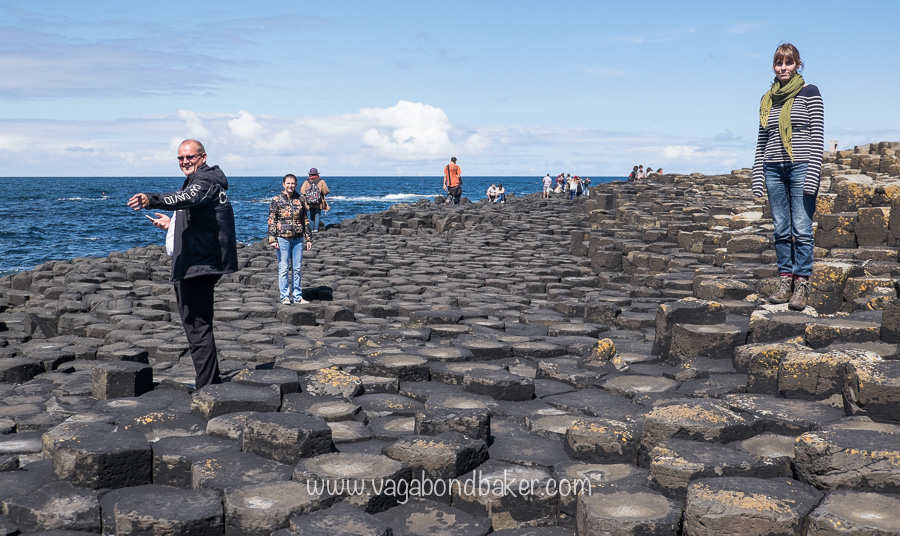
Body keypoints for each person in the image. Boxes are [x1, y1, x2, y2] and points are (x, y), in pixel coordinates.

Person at [127, 139, 238, 390]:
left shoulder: (205, 181)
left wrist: (151, 198)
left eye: (190, 157)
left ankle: (208, 387)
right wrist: (171, 224)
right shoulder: (204, 181)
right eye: (180, 158)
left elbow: (188, 198)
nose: (185, 162)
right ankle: (209, 381)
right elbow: (198, 214)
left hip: (199, 265)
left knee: (197, 326)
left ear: (203, 157)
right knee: (198, 324)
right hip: (199, 261)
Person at [752, 43, 824, 311]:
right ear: (774, 66)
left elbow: (817, 136)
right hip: (772, 167)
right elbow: (762, 139)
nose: (783, 67)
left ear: (797, 65)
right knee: (781, 229)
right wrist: (757, 175)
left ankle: (801, 284)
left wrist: (813, 174)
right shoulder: (767, 98)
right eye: (779, 63)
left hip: (801, 166)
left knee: (802, 230)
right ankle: (785, 282)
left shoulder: (810, 93)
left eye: (789, 62)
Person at [268, 174, 313, 305]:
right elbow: (272, 220)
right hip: (282, 239)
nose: (290, 186)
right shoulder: (276, 200)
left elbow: (305, 219)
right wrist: (272, 239)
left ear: (296, 185)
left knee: (297, 268)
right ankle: (285, 297)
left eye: (292, 183)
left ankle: (298, 296)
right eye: (288, 183)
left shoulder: (300, 199)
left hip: (298, 239)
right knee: (284, 268)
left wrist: (309, 238)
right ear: (283, 184)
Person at [299, 168, 329, 232]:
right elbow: (326, 191)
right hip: (319, 201)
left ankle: (312, 230)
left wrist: (308, 196)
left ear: (310, 174)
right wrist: (322, 195)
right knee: (317, 215)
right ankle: (316, 229)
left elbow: (302, 191)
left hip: (309, 202)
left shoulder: (307, 182)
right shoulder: (321, 181)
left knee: (311, 215)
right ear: (317, 174)